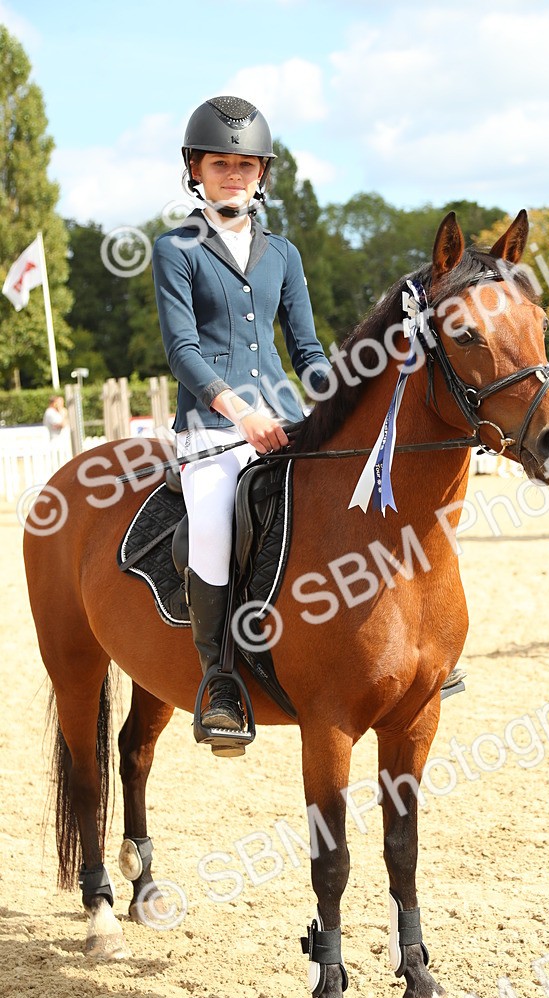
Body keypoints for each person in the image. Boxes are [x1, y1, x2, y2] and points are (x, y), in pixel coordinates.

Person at [151, 96, 331, 740]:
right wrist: (240, 413)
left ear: (262, 173)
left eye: (246, 164)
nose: (234, 173)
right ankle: (218, 681)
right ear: (195, 169)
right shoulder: (176, 248)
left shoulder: (283, 252)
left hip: (284, 421)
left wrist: (337, 402)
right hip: (212, 429)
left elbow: (306, 349)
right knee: (212, 528)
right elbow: (183, 351)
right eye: (220, 162)